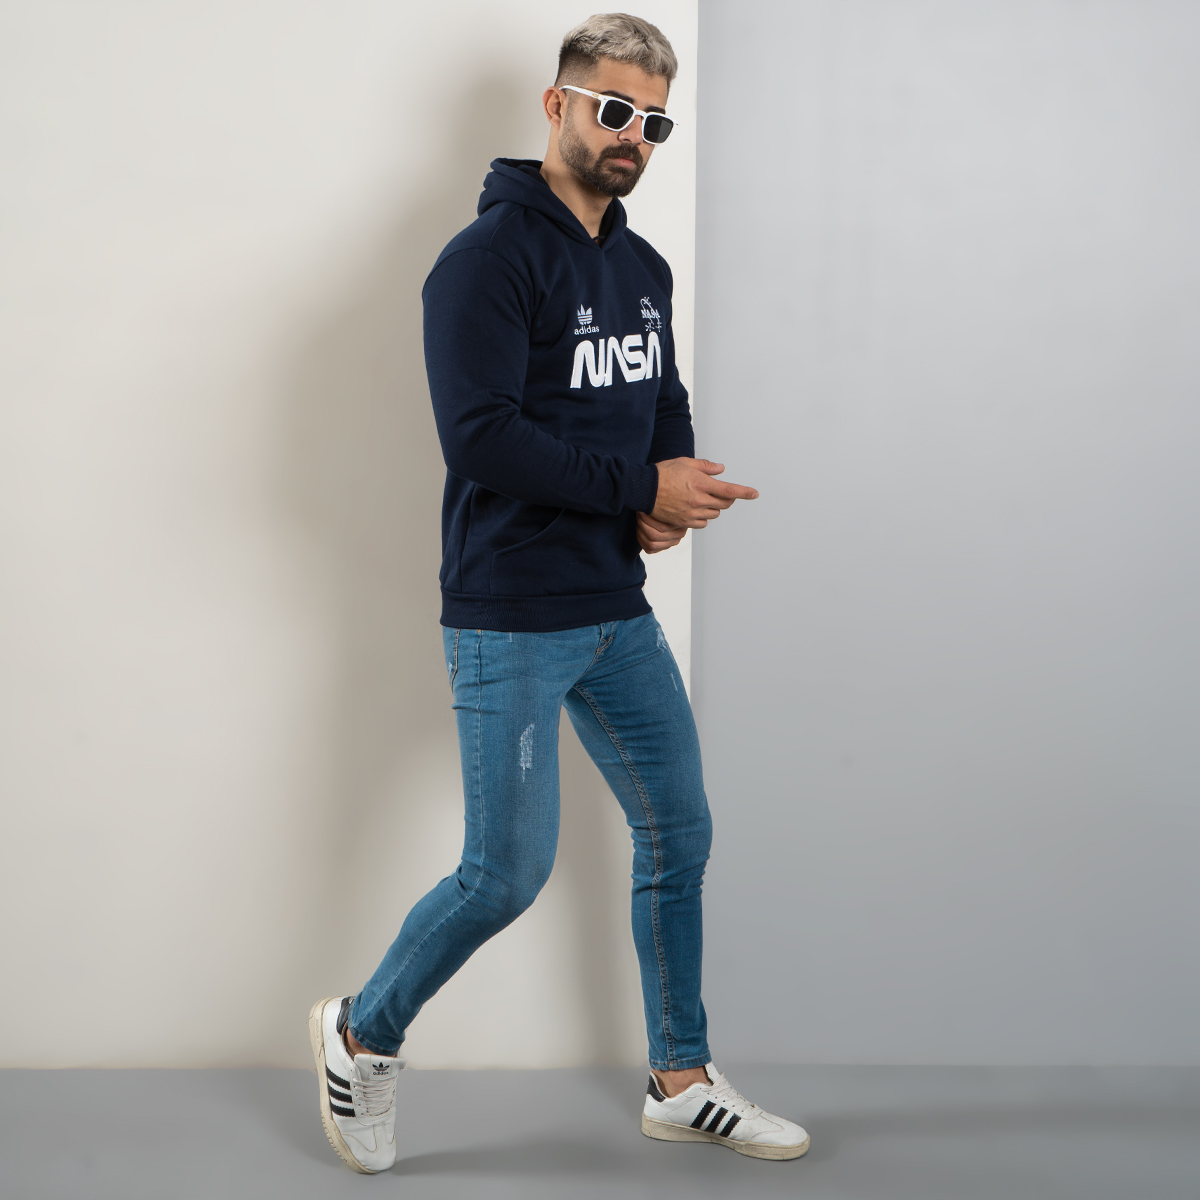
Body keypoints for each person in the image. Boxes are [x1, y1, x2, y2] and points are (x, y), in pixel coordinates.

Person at [308, 13, 810, 1173]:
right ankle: (361, 1034)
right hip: (511, 614)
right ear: (558, 105)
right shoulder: (485, 260)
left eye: (654, 122)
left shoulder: (642, 267)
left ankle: (680, 1080)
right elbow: (480, 438)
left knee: (678, 831)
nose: (632, 136)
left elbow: (661, 397)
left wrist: (664, 494)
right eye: (614, 110)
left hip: (612, 608)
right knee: (505, 873)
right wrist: (636, 486)